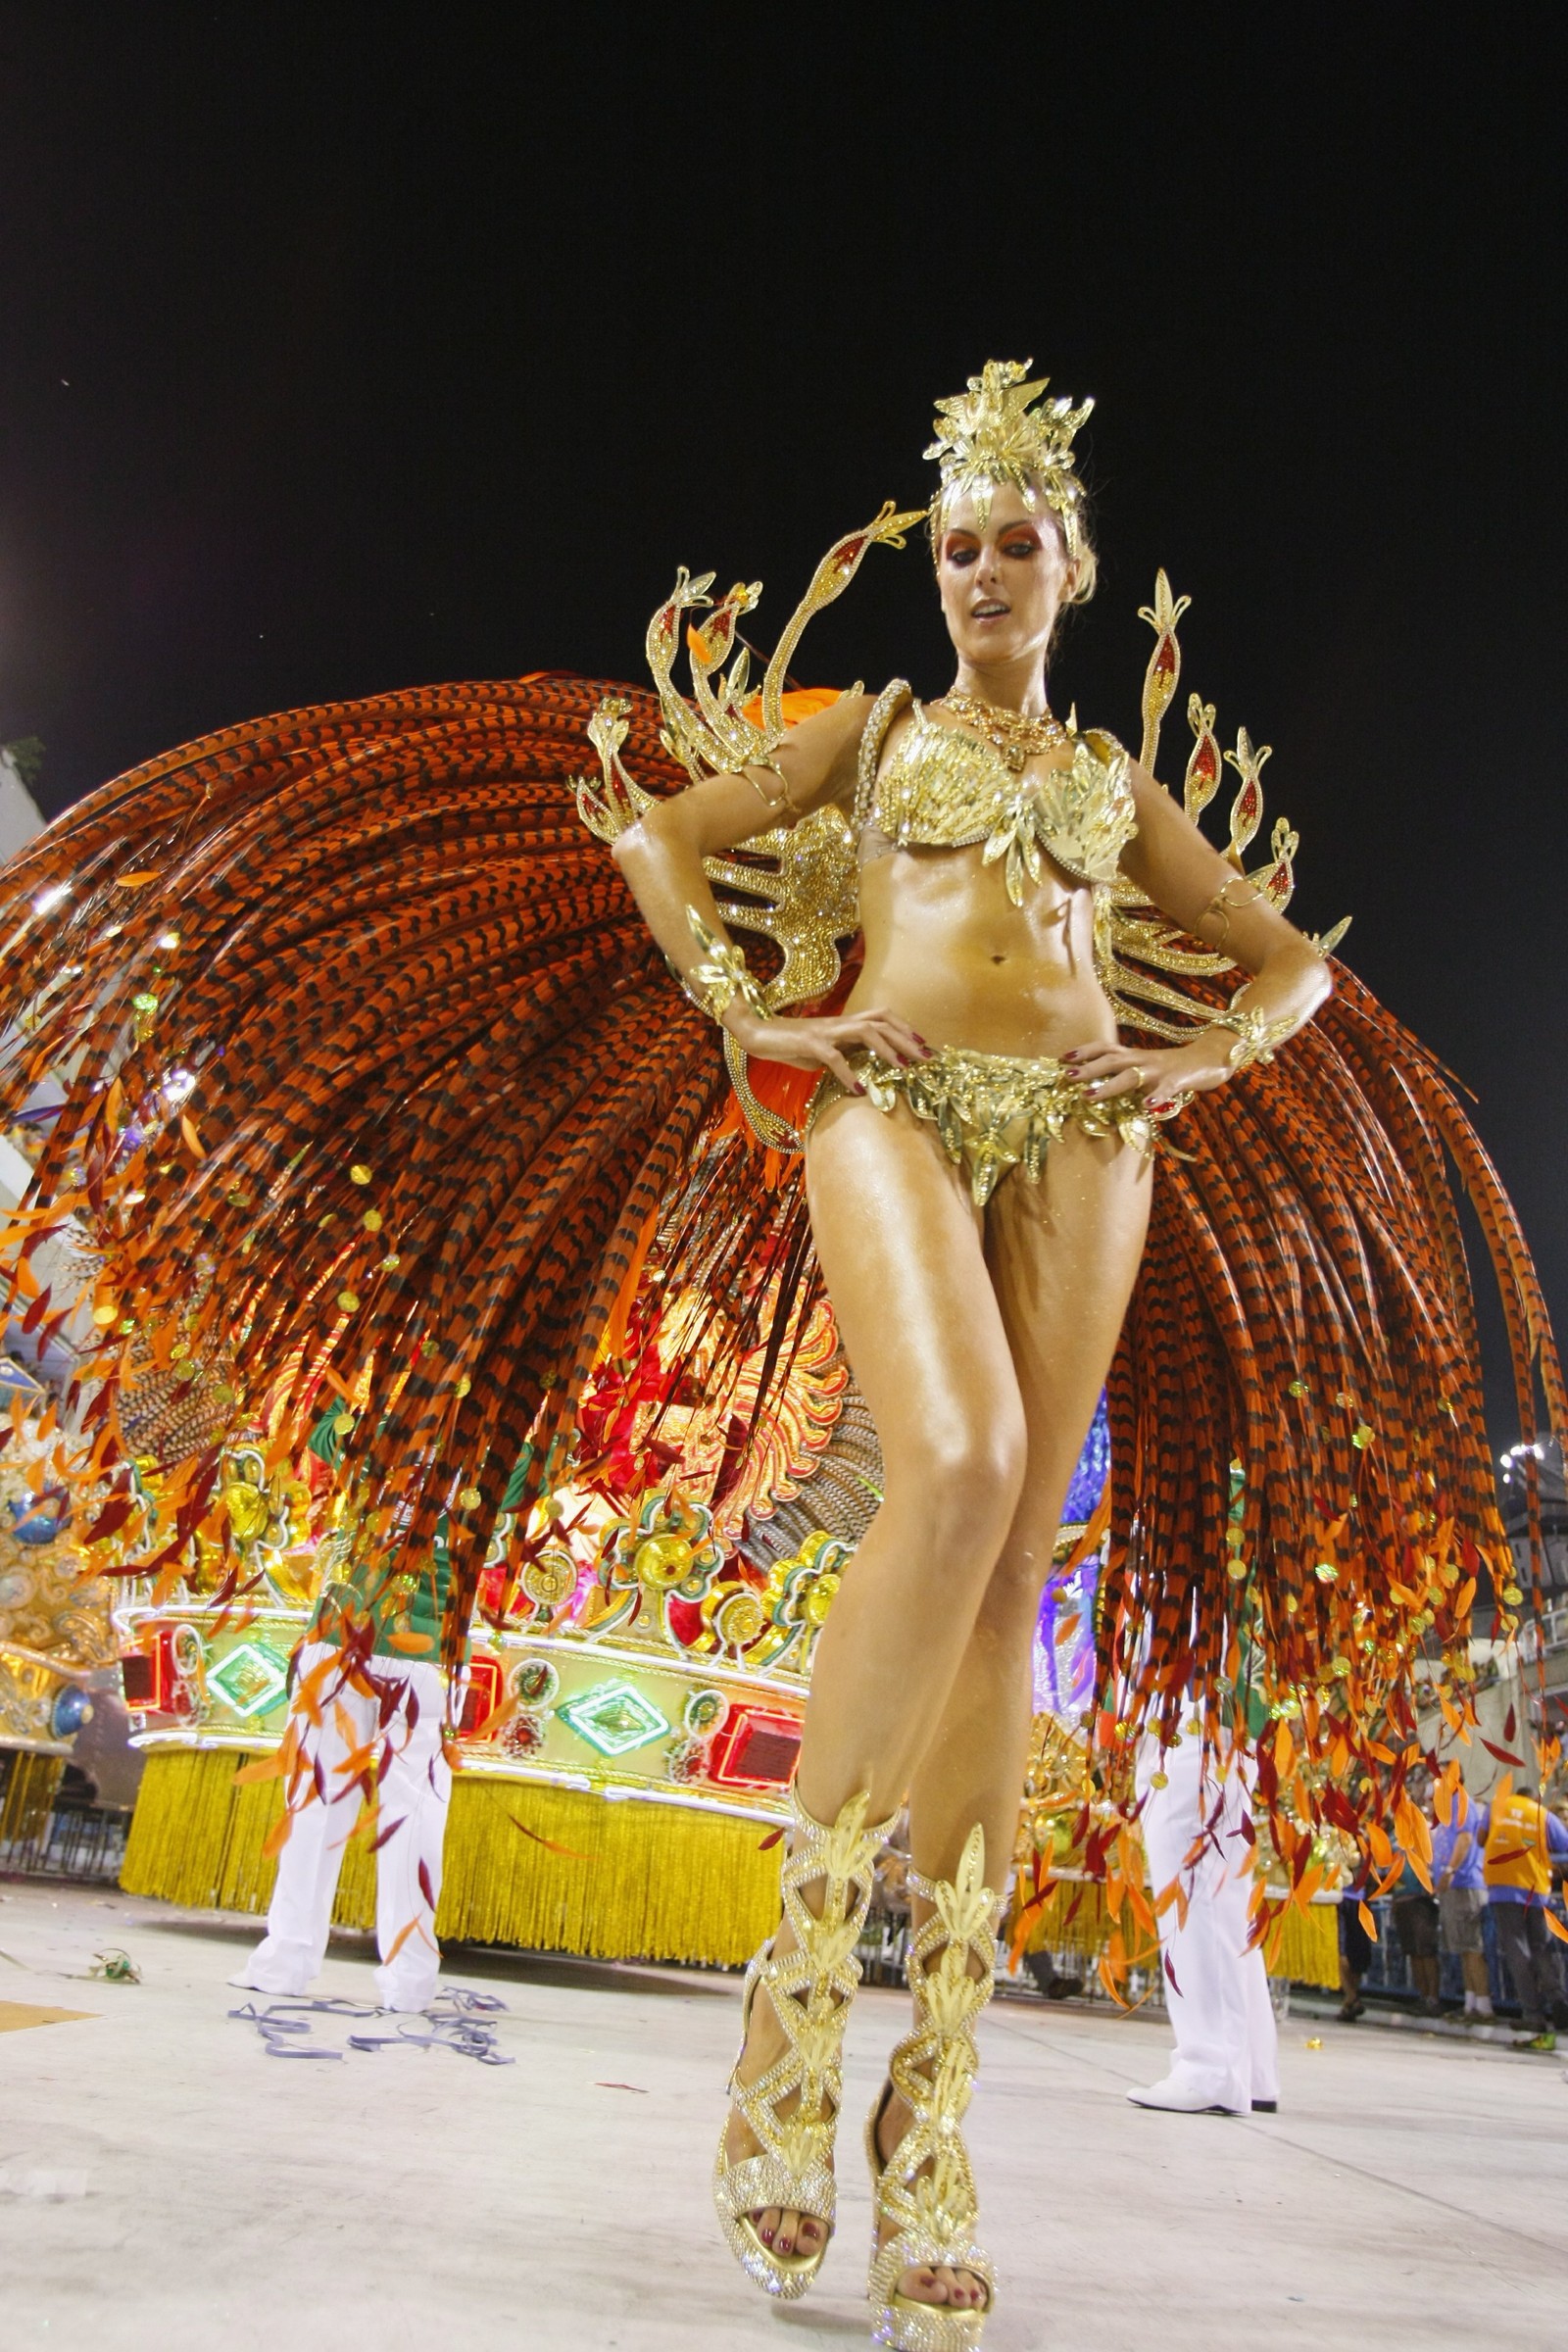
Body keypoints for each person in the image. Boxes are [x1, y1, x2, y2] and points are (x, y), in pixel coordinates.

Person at [0, 361, 1558, 2352]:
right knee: (969, 1466)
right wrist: (769, 1013)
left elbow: (1289, 965)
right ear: (942, 567)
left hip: (1086, 1147)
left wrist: (1181, 1058)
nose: (990, 571)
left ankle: (935, 2113)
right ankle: (799, 1994)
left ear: (1072, 566)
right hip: (885, 1108)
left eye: (1022, 543)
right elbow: (655, 841)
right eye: (964, 542)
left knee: (1005, 1589)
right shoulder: (878, 730)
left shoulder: (1105, 790)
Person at [230, 1532, 466, 2013]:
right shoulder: (498, 1452)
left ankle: (286, 1963)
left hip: (341, 1640)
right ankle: (410, 1982)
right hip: (419, 1655)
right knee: (414, 1814)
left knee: (315, 1805)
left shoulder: (363, 1450)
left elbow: (320, 1451)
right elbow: (529, 1483)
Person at [1127, 1723, 1279, 2115]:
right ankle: (1250, 2068)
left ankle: (1211, 2069)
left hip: (1196, 1708)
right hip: (1196, 1716)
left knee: (1195, 1885)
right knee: (1220, 1898)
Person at [1483, 1782, 1568, 2050]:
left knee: (1518, 1951)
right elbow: (1565, 1845)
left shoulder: (1496, 1806)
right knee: (1541, 1948)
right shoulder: (1543, 1814)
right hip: (1535, 1888)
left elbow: (1479, 1839)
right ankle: (1559, 2000)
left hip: (1503, 1888)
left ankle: (1533, 2014)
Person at [1432, 1794, 1493, 2021]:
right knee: (1464, 1949)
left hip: (1466, 1884)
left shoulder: (1461, 1803)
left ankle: (1484, 2006)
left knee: (1473, 1948)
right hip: (1454, 1888)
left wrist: (1449, 1871)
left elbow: (1466, 1838)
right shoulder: (1448, 1805)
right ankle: (1471, 2005)